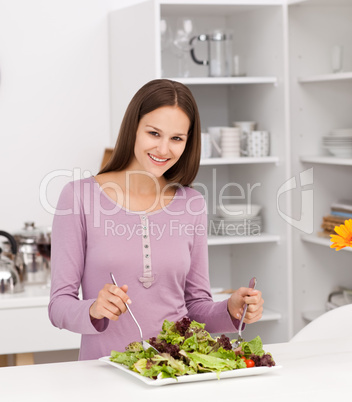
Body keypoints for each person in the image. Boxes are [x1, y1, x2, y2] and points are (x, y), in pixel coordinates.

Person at [48, 79, 264, 361]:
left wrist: (231, 310)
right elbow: (58, 306)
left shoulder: (192, 203)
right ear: (133, 129)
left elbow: (196, 307)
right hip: (103, 375)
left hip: (176, 374)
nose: (164, 149)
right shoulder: (78, 197)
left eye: (177, 138)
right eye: (153, 133)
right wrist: (93, 309)